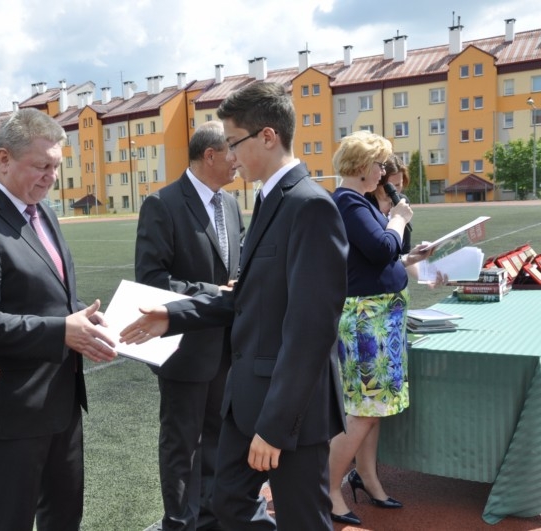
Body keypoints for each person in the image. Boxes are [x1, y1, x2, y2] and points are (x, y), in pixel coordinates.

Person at [121, 82, 349, 530]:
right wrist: (173, 315)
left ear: (267, 137)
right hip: (249, 398)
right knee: (226, 502)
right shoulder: (268, 200)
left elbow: (311, 331)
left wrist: (275, 426)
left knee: (302, 519)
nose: (230, 154)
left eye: (234, 142)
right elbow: (247, 296)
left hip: (289, 408)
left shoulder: (309, 207)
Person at [0, 107, 117, 531]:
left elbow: (52, 296)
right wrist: (63, 331)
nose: (52, 177)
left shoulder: (43, 212)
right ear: (4, 159)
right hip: (11, 414)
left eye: (56, 166)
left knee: (64, 519)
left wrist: (85, 320)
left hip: (60, 404)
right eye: (42, 166)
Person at [135, 121, 244, 530]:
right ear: (210, 155)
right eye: (232, 150)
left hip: (227, 347)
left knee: (217, 437)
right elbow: (151, 280)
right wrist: (216, 291)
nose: (238, 160)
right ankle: (180, 523)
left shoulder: (230, 204)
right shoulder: (162, 204)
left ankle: (209, 519)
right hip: (185, 349)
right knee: (183, 445)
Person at [327, 131, 429, 526]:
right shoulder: (348, 202)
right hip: (367, 320)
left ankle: (367, 479)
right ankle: (329, 490)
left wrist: (409, 257)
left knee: (373, 410)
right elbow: (381, 248)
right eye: (381, 164)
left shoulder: (360, 202)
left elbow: (381, 258)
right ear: (364, 165)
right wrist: (398, 219)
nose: (384, 172)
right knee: (363, 412)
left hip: (381, 316)